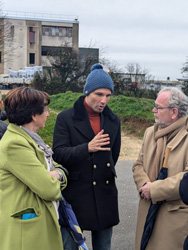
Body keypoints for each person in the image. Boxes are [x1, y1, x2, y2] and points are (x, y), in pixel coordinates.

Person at [53, 63, 121, 250]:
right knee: (70, 246)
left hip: (105, 193)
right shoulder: (65, 118)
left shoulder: (114, 120)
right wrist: (87, 148)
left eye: (108, 95)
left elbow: (113, 155)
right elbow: (58, 153)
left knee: (104, 247)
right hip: (75, 195)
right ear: (86, 92)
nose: (104, 100)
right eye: (99, 94)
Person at [0, 87, 67, 250]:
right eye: (45, 109)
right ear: (33, 114)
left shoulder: (30, 139)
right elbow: (48, 189)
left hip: (34, 227)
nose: (48, 114)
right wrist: (57, 175)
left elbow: (57, 169)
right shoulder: (15, 144)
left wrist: (56, 173)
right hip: (26, 233)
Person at [132, 87, 188, 250]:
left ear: (174, 112)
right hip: (147, 209)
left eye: (158, 107)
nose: (153, 110)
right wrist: (144, 185)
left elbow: (186, 177)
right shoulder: (150, 132)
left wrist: (155, 189)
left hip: (173, 217)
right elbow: (138, 164)